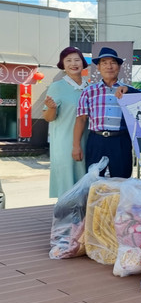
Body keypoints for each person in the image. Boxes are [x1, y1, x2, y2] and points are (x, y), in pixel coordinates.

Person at [73, 47, 134, 178]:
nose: (109, 66)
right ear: (98, 67)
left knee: (121, 181)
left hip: (121, 140)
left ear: (119, 67)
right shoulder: (89, 91)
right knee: (94, 180)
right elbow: (81, 119)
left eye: (113, 63)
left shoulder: (129, 91)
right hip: (96, 141)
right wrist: (76, 146)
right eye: (104, 63)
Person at [43, 46, 89, 197]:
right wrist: (52, 108)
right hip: (65, 143)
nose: (73, 63)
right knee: (67, 183)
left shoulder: (90, 88)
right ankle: (65, 211)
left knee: (85, 183)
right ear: (62, 64)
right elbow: (48, 117)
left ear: (83, 63)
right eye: (68, 60)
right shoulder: (57, 87)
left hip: (88, 140)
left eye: (77, 60)